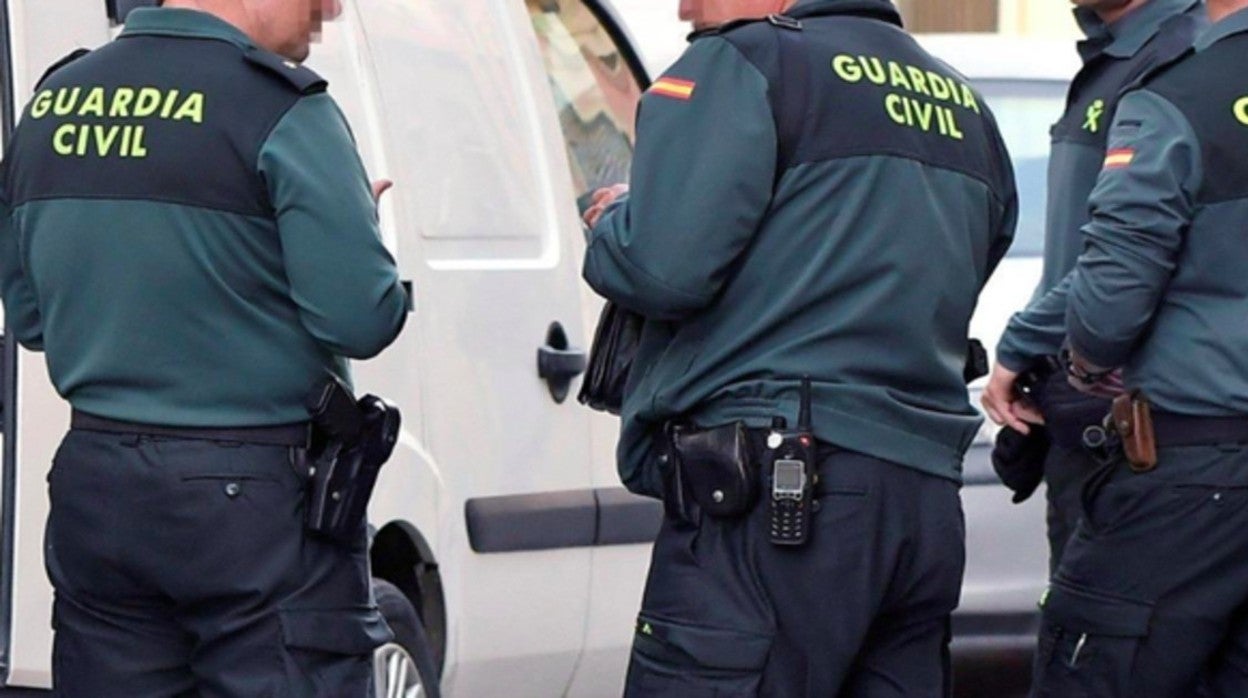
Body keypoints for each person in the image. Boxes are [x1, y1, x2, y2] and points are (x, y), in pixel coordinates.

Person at [581, 0, 1016, 694]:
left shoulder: (747, 63)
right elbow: (977, 256)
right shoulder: (960, 100)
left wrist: (611, 222)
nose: (684, 7)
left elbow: (661, 266)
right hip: (919, 501)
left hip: (777, 501)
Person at [0, 0, 408, 695]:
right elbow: (361, 319)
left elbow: (31, 318)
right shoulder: (282, 109)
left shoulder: (53, 105)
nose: (332, 8)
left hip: (98, 488)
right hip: (254, 501)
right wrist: (354, 229)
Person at [1003, 0, 1248, 694]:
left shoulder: (1182, 93)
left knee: (1094, 667)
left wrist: (1076, 363)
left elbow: (1111, 296)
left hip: (1191, 459)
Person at [981, 0, 1205, 574]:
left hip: (1141, 426)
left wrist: (1024, 339)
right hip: (1091, 419)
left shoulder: (1180, 53)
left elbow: (1128, 259)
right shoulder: (1115, 55)